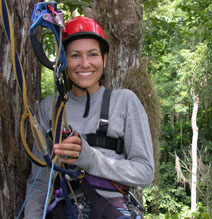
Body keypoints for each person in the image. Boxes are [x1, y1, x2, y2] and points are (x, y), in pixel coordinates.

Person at [24, 16, 154, 219]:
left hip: (111, 210)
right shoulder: (50, 108)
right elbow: (39, 181)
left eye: (93, 54)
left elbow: (145, 172)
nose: (85, 64)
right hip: (64, 208)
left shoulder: (125, 101)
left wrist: (90, 159)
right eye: (75, 55)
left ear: (104, 58)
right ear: (64, 61)